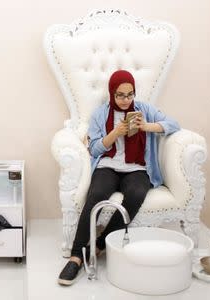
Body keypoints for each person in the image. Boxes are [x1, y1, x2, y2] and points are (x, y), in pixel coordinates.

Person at [57, 70, 180, 286]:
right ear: (112, 94)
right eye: (120, 95)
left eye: (130, 94)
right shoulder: (100, 114)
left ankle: (98, 245)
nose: (125, 100)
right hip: (108, 165)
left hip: (137, 168)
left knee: (136, 193)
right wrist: (115, 133)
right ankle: (76, 256)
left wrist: (146, 126)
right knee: (95, 194)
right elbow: (94, 150)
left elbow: (173, 124)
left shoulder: (144, 110)